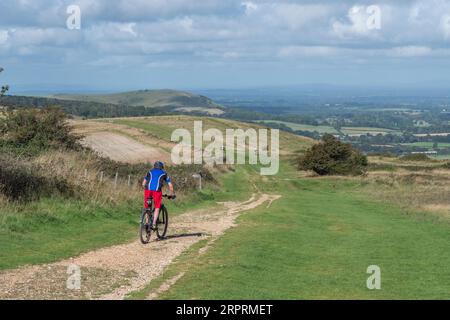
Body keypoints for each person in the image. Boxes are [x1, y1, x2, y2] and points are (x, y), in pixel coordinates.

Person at [142, 161, 175, 230]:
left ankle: (147, 223)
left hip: (147, 190)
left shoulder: (149, 172)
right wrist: (172, 194)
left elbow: (143, 184)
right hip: (157, 191)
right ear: (161, 167)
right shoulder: (164, 173)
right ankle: (153, 224)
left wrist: (147, 188)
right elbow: (170, 186)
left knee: (147, 207)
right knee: (157, 207)